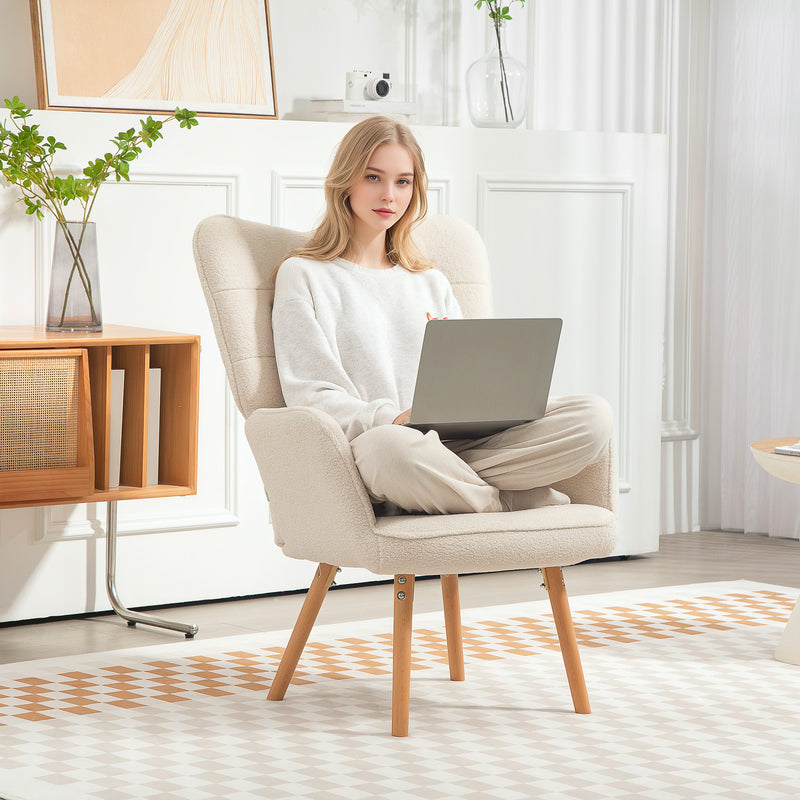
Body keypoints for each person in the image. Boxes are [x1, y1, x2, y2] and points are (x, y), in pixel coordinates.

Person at [271, 115, 612, 516]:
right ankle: (509, 502)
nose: (389, 196)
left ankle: (461, 491)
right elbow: (311, 395)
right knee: (390, 450)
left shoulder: (429, 280)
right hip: (384, 445)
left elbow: (468, 375)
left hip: (460, 443)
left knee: (591, 416)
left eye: (403, 181)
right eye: (373, 177)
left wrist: (490, 406)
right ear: (346, 180)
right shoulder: (304, 275)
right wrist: (394, 418)